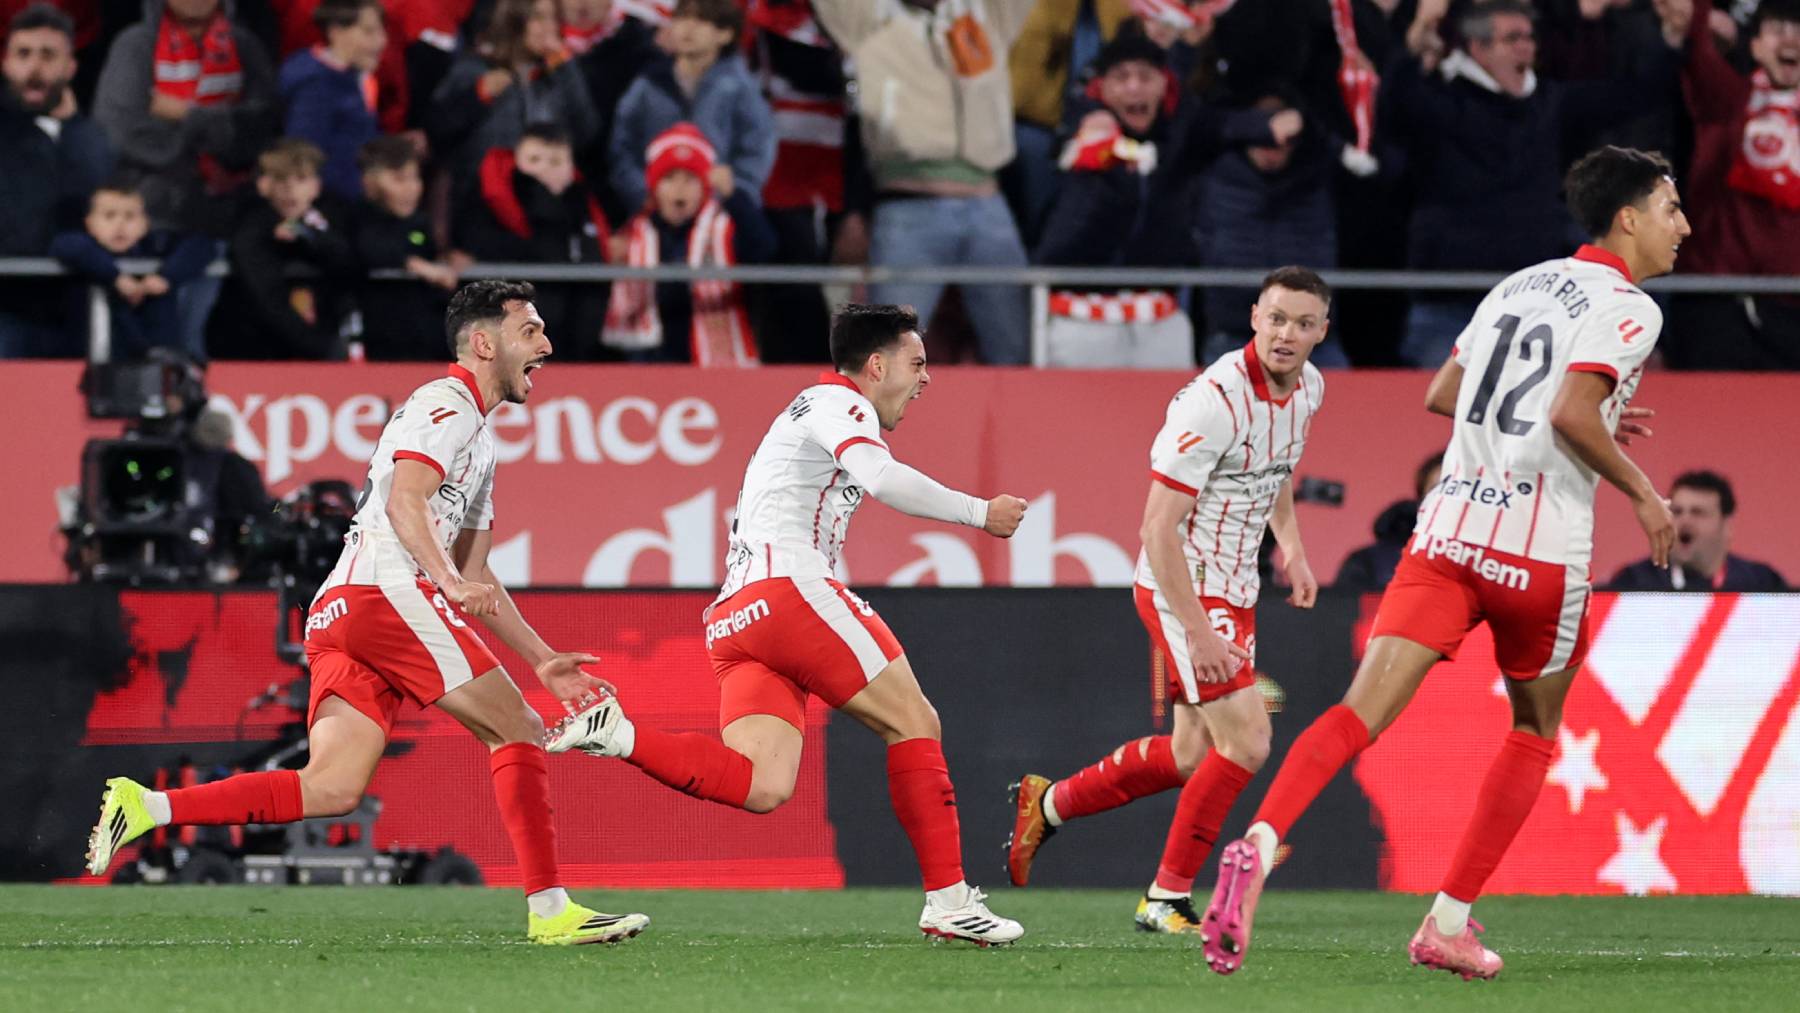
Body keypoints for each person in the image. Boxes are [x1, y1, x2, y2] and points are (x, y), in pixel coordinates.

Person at [1198, 145, 1689, 980]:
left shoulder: (1519, 285)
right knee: (1533, 732)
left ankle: (1259, 840)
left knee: (1357, 714)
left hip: (1448, 536)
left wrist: (1569, 416)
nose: (1685, 225)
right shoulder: (1633, 308)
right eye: (1672, 208)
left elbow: (1443, 393)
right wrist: (1641, 488)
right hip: (1539, 552)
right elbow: (1573, 411)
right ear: (1629, 217)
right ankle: (1446, 923)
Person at [86, 280, 650, 947]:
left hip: (341, 607)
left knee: (330, 786)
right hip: (386, 593)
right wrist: (441, 579)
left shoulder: (479, 439)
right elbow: (406, 504)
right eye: (531, 331)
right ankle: (551, 909)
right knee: (518, 727)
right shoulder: (446, 407)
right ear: (483, 342)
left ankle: (146, 806)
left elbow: (476, 573)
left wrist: (542, 658)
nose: (547, 345)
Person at [549, 303, 1031, 946]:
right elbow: (881, 478)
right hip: (790, 591)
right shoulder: (840, 403)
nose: (925, 379)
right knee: (915, 722)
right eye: (917, 364)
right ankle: (948, 901)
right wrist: (979, 512)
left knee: (763, 784)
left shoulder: (805, 411)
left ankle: (621, 736)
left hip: (733, 616)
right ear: (876, 365)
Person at [1005, 267, 1330, 935]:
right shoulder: (1212, 401)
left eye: (1302, 323)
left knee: (1189, 755)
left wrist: (1291, 547)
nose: (1286, 334)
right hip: (1181, 581)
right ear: (1253, 318)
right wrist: (1197, 631)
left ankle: (1051, 803)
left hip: (1236, 590)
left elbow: (1277, 470)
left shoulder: (1310, 390)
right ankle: (1166, 897)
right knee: (1247, 741)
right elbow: (1156, 527)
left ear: (1322, 331)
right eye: (1276, 318)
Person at [1383, 0, 1689, 367]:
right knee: (1439, 411)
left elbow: (1629, 97)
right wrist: (1416, 42)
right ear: (1478, 48)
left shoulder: (1548, 102)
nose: (1526, 46)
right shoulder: (1441, 101)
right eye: (1512, 38)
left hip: (1538, 305)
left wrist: (1671, 41)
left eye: (1529, 37)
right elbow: (1389, 110)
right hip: (1451, 303)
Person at [813, 0, 1037, 365]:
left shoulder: (986, 14)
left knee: (1017, 354)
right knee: (885, 360)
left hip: (990, 205)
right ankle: (868, 425)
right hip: (907, 211)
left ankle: (1026, 424)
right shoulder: (866, 18)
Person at [1664, 0, 1800, 369]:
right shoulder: (1728, 101)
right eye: (1779, 29)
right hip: (1722, 305)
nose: (1792, 39)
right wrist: (1699, 16)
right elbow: (1700, 49)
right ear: (1754, 46)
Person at [602, 122, 776, 364]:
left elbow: (764, 247)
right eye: (670, 178)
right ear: (655, 188)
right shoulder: (634, 233)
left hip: (710, 369)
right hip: (647, 365)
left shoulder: (723, 230)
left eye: (690, 179)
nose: (679, 189)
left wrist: (735, 198)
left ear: (704, 188)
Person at [0, 2, 114, 358]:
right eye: (24, 54)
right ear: (5, 63)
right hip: (7, 311)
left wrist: (74, 129)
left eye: (48, 55)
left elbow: (95, 209)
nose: (35, 67)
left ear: (71, 66)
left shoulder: (90, 137)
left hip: (78, 309)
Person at [457, 124, 611, 359]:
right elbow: (483, 244)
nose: (544, 170)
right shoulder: (488, 200)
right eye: (534, 159)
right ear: (517, 160)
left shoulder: (585, 203)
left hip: (579, 336)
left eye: (556, 162)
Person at [607, 0, 775, 214]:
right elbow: (622, 148)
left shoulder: (742, 91)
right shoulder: (648, 84)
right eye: (681, 19)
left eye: (701, 20)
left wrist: (734, 194)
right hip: (654, 214)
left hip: (720, 217)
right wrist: (642, 193)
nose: (688, 28)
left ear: (725, 34)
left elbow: (757, 152)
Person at [426, 0, 600, 190]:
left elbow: (586, 134)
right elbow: (437, 131)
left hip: (538, 202)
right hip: (479, 201)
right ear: (514, 20)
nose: (550, 27)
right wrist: (477, 95)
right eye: (539, 17)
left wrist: (566, 68)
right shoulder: (474, 69)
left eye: (554, 18)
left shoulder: (556, 77)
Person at [211, 137, 359, 359]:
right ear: (265, 185)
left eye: (300, 179)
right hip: (257, 351)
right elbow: (264, 294)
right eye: (281, 179)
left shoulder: (336, 218)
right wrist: (319, 346)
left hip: (323, 344)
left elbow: (349, 263)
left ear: (316, 186)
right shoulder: (250, 225)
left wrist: (307, 236)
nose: (290, 189)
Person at [50, 181, 216, 360]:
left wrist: (166, 278)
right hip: (91, 365)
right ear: (89, 223)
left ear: (145, 224)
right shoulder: (82, 247)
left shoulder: (155, 246)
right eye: (109, 216)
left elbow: (202, 245)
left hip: (155, 367)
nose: (120, 225)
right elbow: (68, 245)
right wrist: (116, 278)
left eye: (130, 217)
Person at [352, 135, 458, 361]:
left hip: (426, 340)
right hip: (380, 339)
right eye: (399, 179)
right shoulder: (356, 218)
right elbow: (368, 248)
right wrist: (416, 265)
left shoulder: (420, 223)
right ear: (369, 182)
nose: (411, 188)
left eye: (415, 178)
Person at [1606, 470, 1788, 591]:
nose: (1684, 521)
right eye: (1676, 512)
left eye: (1698, 513)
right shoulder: (1635, 582)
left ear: (1727, 526)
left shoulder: (1761, 583)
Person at [278, 0, 386, 202]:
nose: (381, 41)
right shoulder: (314, 86)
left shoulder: (359, 76)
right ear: (336, 32)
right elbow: (304, 160)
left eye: (381, 31)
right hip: (333, 209)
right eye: (369, 32)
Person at [1333, 452, 1443, 591]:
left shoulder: (1477, 560)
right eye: (1436, 489)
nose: (1446, 497)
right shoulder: (1369, 562)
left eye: (1455, 487)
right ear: (1420, 501)